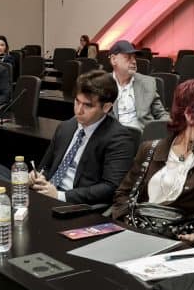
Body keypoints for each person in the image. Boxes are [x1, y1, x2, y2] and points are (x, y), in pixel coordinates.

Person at [112, 79, 194, 247]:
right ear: (189, 114)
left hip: (180, 239)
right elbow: (123, 193)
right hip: (135, 232)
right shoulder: (149, 149)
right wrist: (125, 222)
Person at [28, 71, 136, 205]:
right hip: (47, 194)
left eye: (87, 105)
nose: (79, 110)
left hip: (76, 204)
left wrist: (60, 195)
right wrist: (38, 176)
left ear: (106, 107)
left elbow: (110, 187)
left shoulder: (119, 139)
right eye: (77, 102)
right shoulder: (66, 126)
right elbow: (47, 166)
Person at [107, 40, 168, 130]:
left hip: (142, 134)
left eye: (134, 58)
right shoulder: (101, 84)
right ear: (113, 60)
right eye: (128, 57)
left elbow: (161, 114)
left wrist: (167, 130)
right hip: (113, 135)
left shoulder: (147, 83)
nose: (134, 61)